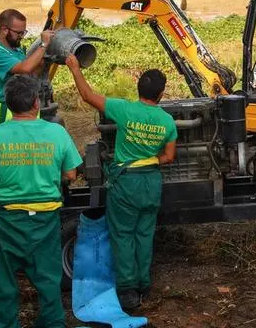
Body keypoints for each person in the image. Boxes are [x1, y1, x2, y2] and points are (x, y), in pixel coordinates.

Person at [0, 72, 83, 328]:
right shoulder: (56, 133)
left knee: (2, 284)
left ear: (8, 104)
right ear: (36, 103)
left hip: (6, 222)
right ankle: (51, 324)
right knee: (48, 281)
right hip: (45, 221)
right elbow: (71, 174)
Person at [67, 62, 177, 312]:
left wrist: (74, 67)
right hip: (151, 183)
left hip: (126, 183)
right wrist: (150, 159)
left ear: (138, 90)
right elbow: (169, 157)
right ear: (161, 94)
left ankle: (128, 290)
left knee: (123, 235)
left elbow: (87, 95)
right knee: (144, 234)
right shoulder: (167, 121)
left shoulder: (124, 109)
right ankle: (144, 283)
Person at [0, 8, 55, 126]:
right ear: (4, 29)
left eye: (24, 32)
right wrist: (43, 45)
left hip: (28, 109)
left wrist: (42, 62)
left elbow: (29, 74)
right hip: (9, 112)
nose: (22, 36)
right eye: (19, 33)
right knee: (9, 145)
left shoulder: (16, 49)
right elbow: (25, 68)